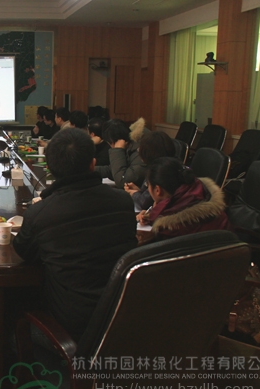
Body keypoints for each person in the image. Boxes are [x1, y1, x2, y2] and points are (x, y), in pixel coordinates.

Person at [13, 128, 138, 342]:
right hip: (122, 319)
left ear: (49, 167)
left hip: (70, 329)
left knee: (14, 322)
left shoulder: (41, 213)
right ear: (92, 163)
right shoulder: (123, 201)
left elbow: (24, 252)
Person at [137, 157, 229, 241]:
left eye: (148, 185)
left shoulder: (170, 229)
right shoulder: (202, 194)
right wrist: (152, 213)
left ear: (158, 190)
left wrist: (155, 219)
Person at [124, 131, 175, 210]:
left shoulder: (160, 172)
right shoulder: (170, 166)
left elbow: (144, 202)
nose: (138, 150)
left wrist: (133, 193)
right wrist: (139, 191)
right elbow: (149, 196)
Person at [95, 117, 146, 189]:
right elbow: (114, 169)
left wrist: (117, 150)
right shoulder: (132, 146)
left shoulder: (139, 152)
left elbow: (122, 181)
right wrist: (89, 169)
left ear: (112, 142)